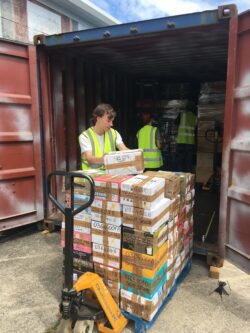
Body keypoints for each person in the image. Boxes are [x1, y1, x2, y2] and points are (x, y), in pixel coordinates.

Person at [79, 103, 128, 170]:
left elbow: (124, 150)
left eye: (112, 121)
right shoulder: (85, 136)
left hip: (109, 176)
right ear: (98, 118)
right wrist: (109, 159)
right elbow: (90, 159)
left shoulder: (114, 133)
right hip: (91, 178)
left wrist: (136, 156)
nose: (111, 124)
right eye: (108, 121)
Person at [176, 106, 197, 173]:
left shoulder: (182, 114)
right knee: (189, 161)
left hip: (181, 141)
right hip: (190, 142)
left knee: (180, 160)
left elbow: (175, 123)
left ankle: (180, 176)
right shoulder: (195, 117)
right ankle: (188, 177)